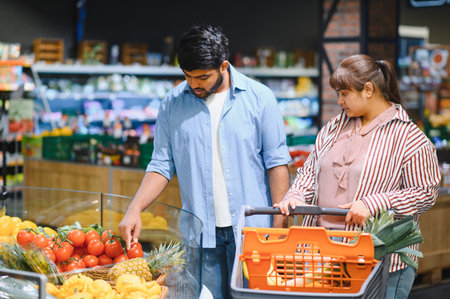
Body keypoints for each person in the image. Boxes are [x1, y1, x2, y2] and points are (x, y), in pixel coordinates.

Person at [119, 24, 291, 299]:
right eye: (187, 76)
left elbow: (277, 164)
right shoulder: (172, 104)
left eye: (202, 77)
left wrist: (279, 229)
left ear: (224, 66)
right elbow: (161, 164)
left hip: (254, 232)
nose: (193, 84)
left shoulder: (260, 99)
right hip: (200, 236)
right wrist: (134, 208)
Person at [275, 54, 440, 299]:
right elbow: (310, 171)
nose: (340, 101)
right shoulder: (333, 127)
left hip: (381, 261)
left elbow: (425, 193)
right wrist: (295, 196)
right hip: (323, 253)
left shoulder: (409, 138)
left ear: (368, 90)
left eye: (344, 94)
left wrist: (373, 204)